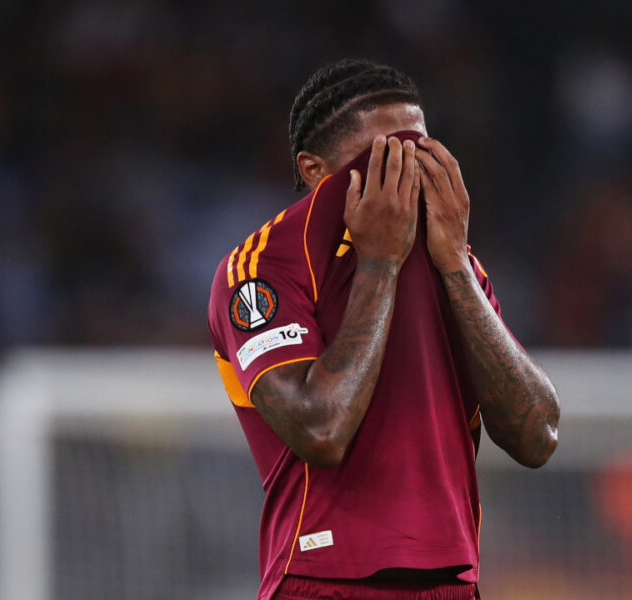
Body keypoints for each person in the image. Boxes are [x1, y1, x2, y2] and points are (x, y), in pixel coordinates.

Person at [207, 58, 560, 600]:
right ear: (314, 170)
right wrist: (378, 264)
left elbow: (537, 437)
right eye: (384, 160)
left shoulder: (460, 265)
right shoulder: (263, 266)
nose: (406, 177)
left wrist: (455, 269)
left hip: (452, 582)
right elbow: (319, 430)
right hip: (323, 578)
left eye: (420, 156)